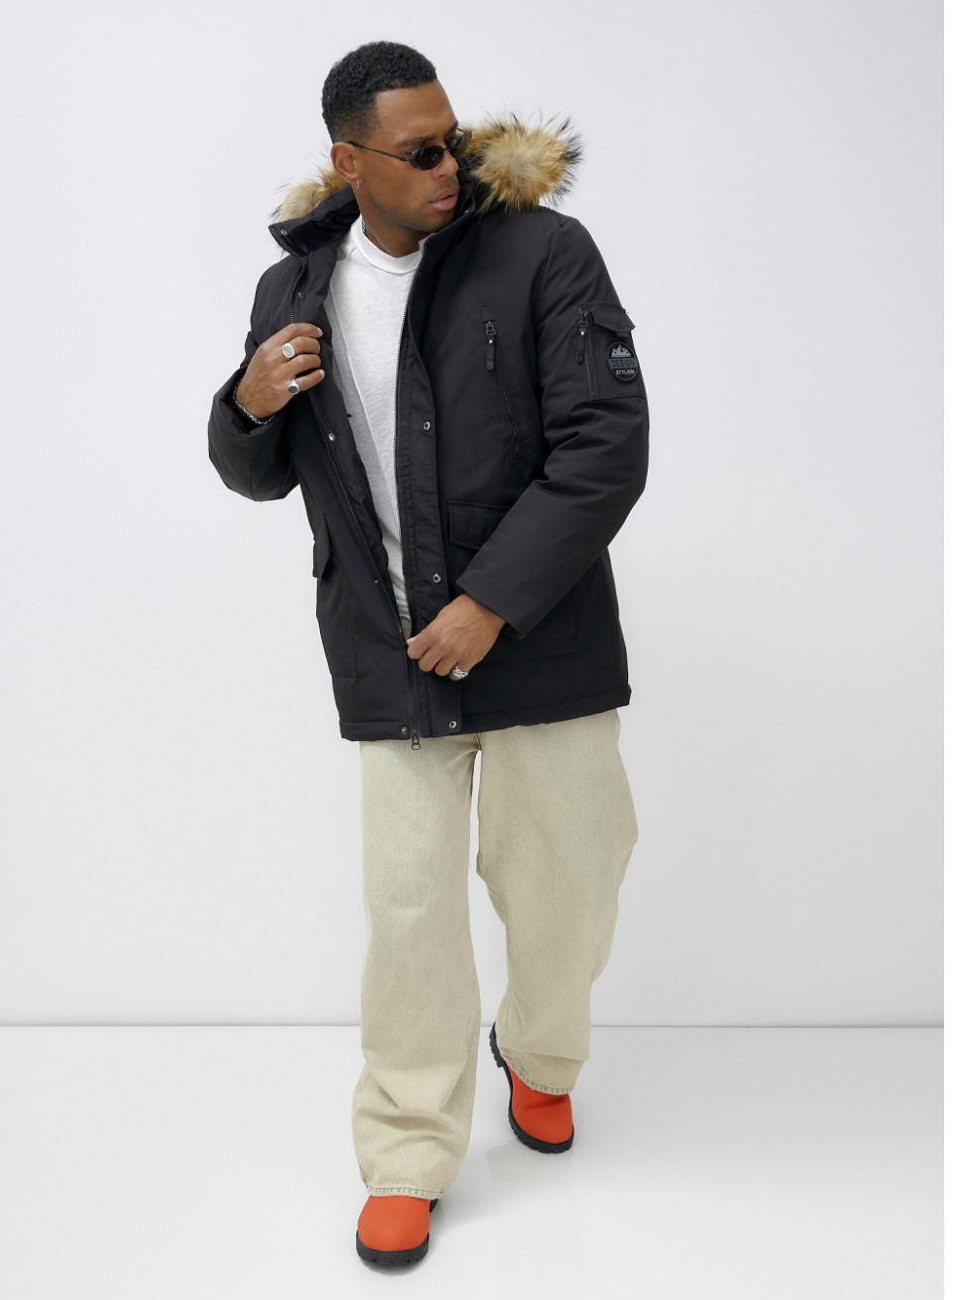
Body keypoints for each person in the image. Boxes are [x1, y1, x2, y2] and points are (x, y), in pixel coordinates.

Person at [207, 41, 649, 1267]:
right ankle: (407, 1149)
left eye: (450, 138)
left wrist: (492, 602)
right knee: (408, 915)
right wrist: (245, 403)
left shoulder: (541, 253)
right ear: (349, 162)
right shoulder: (291, 290)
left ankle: (540, 1053)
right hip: (389, 653)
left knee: (572, 878)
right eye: (416, 151)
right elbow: (254, 472)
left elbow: (607, 443)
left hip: (541, 641)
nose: (448, 164)